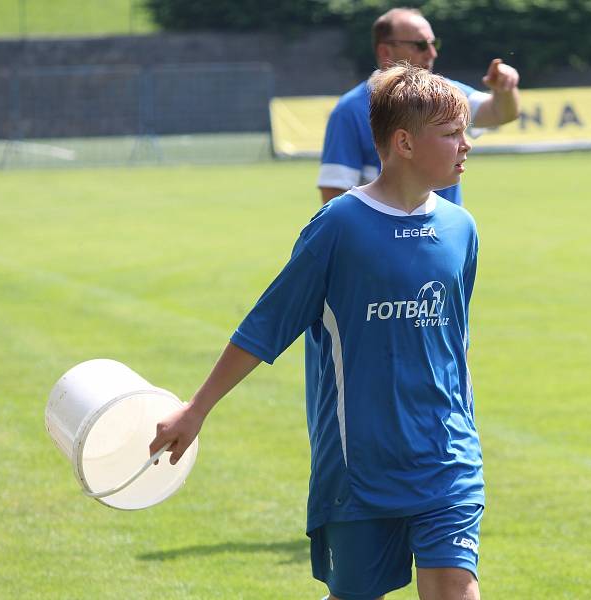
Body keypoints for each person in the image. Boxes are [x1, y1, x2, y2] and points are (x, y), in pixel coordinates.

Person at [151, 63, 483, 600]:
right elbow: (267, 324)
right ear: (403, 142)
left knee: (454, 590)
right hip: (359, 464)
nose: (465, 146)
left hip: (448, 457)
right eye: (450, 134)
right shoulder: (339, 226)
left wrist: (464, 427)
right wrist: (196, 409)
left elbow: (454, 342)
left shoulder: (460, 228)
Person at [318, 6, 520, 206]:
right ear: (385, 51)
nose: (432, 53)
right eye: (421, 45)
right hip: (384, 236)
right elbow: (334, 192)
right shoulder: (349, 110)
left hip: (442, 234)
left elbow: (500, 113)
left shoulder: (446, 95)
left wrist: (505, 88)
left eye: (434, 43)